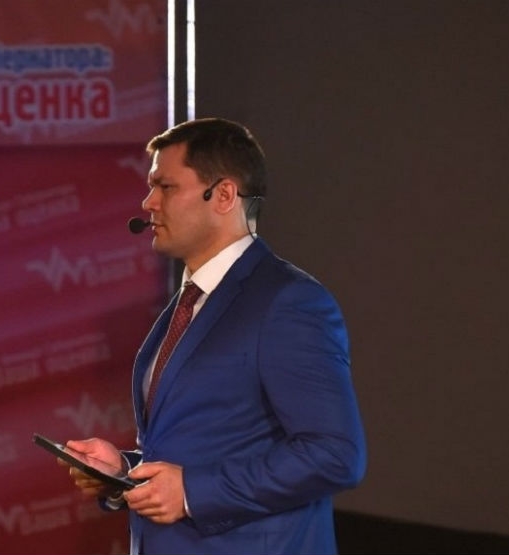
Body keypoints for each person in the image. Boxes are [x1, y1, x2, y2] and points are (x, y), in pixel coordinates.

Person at [59, 117, 366, 554]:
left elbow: (335, 455)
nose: (148, 202)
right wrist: (125, 471)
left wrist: (191, 492)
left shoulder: (288, 302)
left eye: (166, 187)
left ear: (223, 195)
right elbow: (203, 449)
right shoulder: (192, 300)